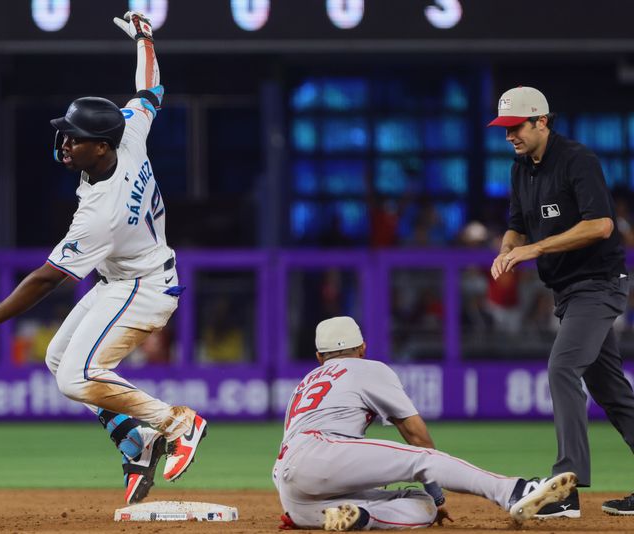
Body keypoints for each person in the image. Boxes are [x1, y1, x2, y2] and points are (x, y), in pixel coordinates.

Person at [0, 12, 207, 506]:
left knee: (77, 376)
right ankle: (136, 440)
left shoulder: (100, 214)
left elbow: (45, 280)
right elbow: (150, 91)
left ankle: (177, 423)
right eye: (66, 132)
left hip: (144, 288)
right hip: (122, 279)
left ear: (101, 147)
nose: (66, 141)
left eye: (76, 137)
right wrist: (145, 39)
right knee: (59, 358)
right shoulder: (129, 133)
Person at [272, 316, 576, 531]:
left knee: (421, 505)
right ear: (362, 348)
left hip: (292, 491)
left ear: (318, 356)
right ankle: (514, 491)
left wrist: (431, 499)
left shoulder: (304, 382)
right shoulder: (366, 368)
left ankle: (362, 517)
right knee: (427, 461)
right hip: (322, 452)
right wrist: (438, 492)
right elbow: (416, 435)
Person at [488, 85, 634, 517]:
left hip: (599, 283)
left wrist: (535, 249)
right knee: (613, 392)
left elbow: (602, 225)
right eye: (504, 128)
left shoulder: (577, 160)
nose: (509, 135)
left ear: (541, 121)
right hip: (567, 292)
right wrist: (507, 249)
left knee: (562, 366)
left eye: (516, 126)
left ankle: (566, 487)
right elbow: (516, 226)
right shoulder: (521, 168)